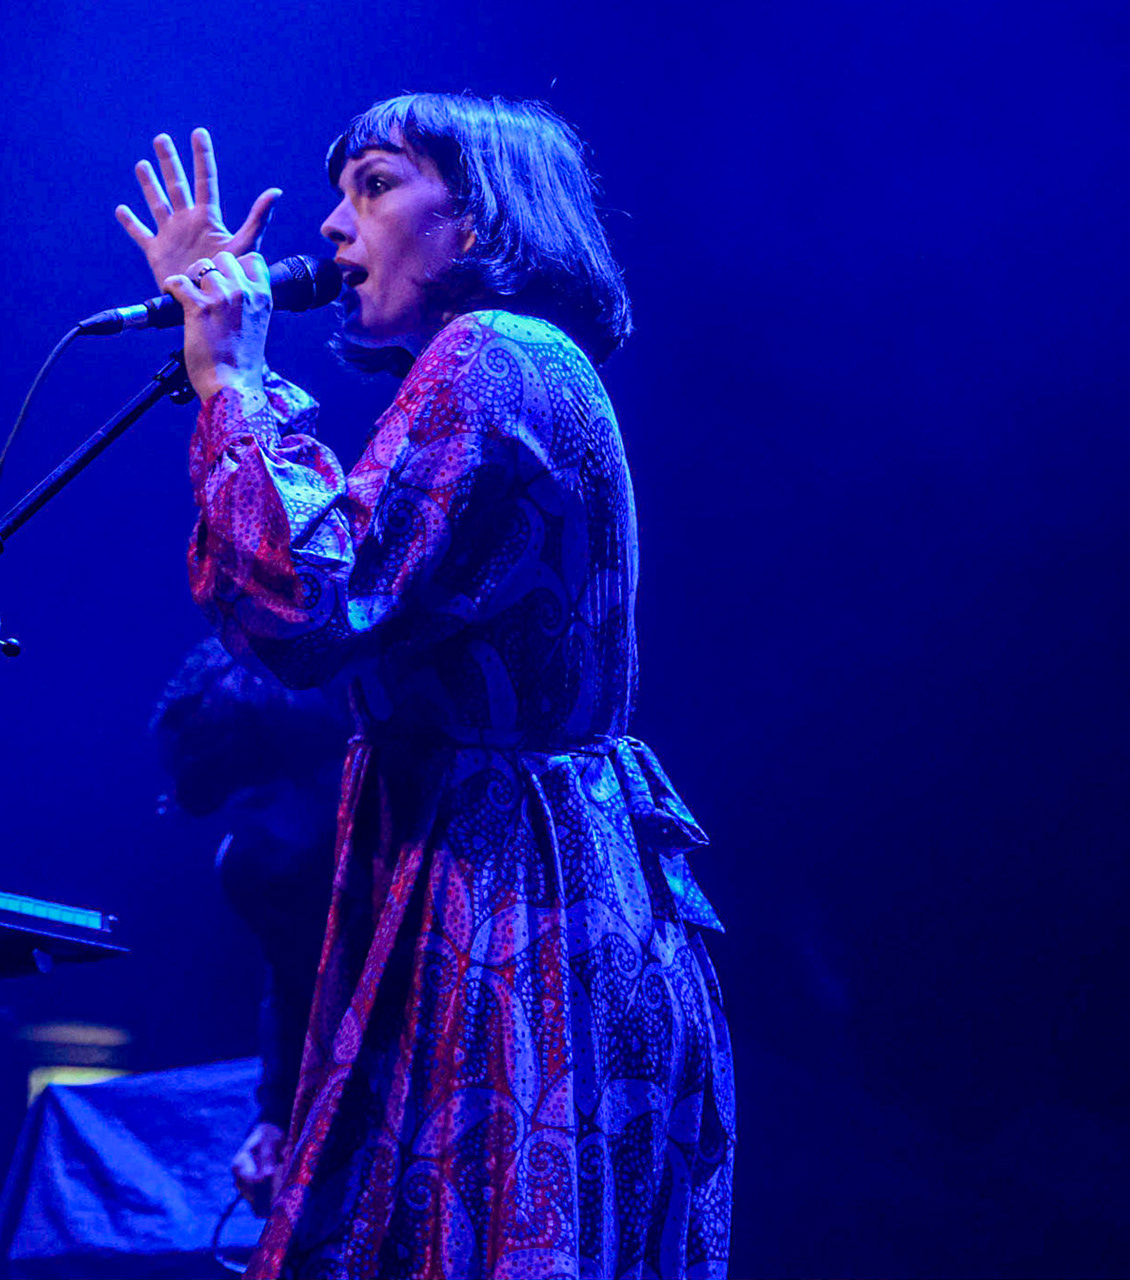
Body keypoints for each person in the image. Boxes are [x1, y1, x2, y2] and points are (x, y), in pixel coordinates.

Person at [115, 96, 734, 1278]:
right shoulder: (489, 367)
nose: (336, 231)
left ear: (479, 215)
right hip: (495, 873)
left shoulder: (495, 357)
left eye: (377, 187)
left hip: (511, 896)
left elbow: (306, 602)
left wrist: (236, 386)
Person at [150, 636, 348, 1215]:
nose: (248, 833)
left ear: (328, 767)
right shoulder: (253, 870)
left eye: (261, 802)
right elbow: (291, 990)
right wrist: (273, 1116)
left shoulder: (404, 852)